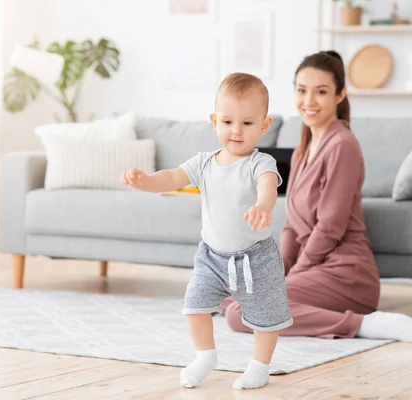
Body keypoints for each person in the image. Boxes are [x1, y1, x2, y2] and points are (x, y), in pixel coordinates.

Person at [223, 51, 412, 343]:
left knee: (240, 312)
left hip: (345, 273)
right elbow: (293, 226)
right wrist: (277, 272)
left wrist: (293, 277)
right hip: (314, 268)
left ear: (340, 94)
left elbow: (330, 226)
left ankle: (362, 325)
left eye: (321, 92)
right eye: (302, 90)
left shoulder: (342, 145)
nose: (309, 101)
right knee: (228, 296)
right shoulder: (302, 150)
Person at [121, 72, 292, 390]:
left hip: (255, 259)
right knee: (194, 306)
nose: (236, 131)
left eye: (247, 124)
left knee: (267, 317)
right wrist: (145, 181)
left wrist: (263, 207)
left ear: (264, 126)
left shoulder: (260, 163)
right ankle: (205, 356)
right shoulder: (204, 162)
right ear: (214, 120)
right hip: (212, 257)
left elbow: (268, 187)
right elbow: (172, 177)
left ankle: (259, 366)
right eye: (228, 122)